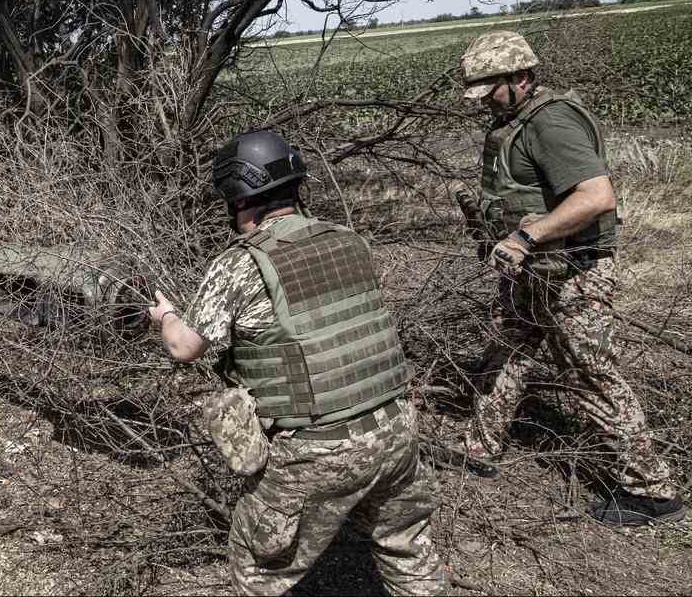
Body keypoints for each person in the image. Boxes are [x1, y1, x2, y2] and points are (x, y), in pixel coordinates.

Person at [149, 130, 447, 595]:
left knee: (259, 567)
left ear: (237, 197)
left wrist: (166, 315)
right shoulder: (349, 240)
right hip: (396, 430)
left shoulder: (240, 263)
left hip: (317, 448)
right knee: (406, 546)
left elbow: (184, 348)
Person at [454, 30, 683, 525]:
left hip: (574, 271)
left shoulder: (551, 123)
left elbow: (596, 197)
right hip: (534, 272)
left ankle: (653, 490)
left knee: (589, 374)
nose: (483, 104)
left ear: (520, 78)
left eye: (490, 90)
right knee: (508, 349)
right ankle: (479, 446)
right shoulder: (512, 120)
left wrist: (525, 239)